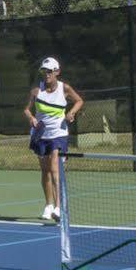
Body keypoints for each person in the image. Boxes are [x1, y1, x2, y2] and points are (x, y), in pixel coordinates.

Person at [24, 56, 82, 221]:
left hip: (59, 134)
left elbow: (79, 101)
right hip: (41, 135)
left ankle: (58, 207)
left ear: (57, 72)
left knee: (55, 168)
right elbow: (27, 110)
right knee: (45, 171)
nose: (47, 74)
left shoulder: (65, 89)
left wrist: (71, 112)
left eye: (50, 71)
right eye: (44, 71)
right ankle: (48, 205)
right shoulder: (36, 91)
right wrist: (31, 118)